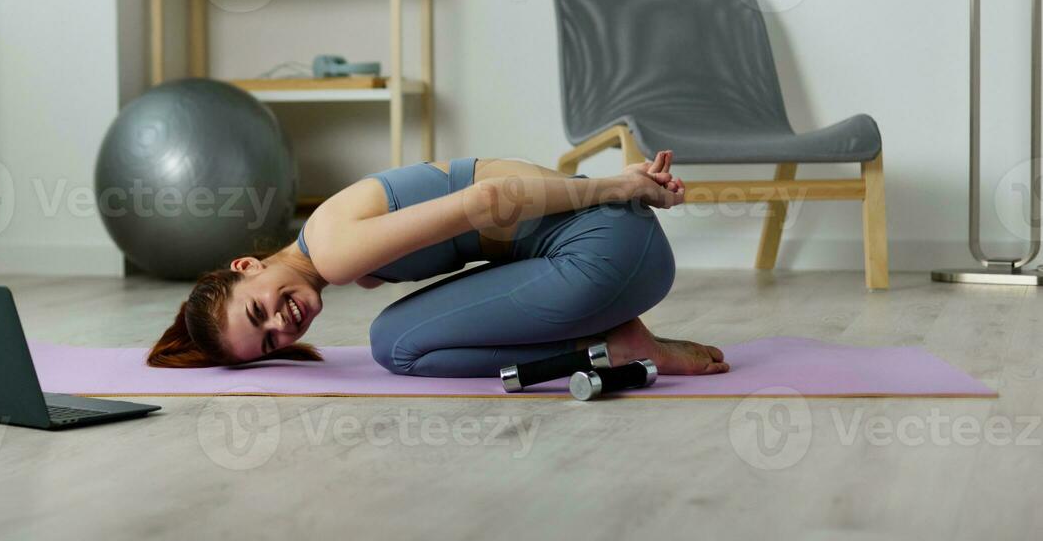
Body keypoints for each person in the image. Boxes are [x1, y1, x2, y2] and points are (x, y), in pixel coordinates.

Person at [148, 151, 728, 377]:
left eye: (259, 310)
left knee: (394, 344)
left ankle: (614, 348)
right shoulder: (331, 243)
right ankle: (611, 335)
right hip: (612, 246)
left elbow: (488, 199)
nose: (284, 325)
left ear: (247, 264)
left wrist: (621, 185)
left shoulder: (334, 251)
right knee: (399, 328)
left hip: (605, 249)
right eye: (271, 343)